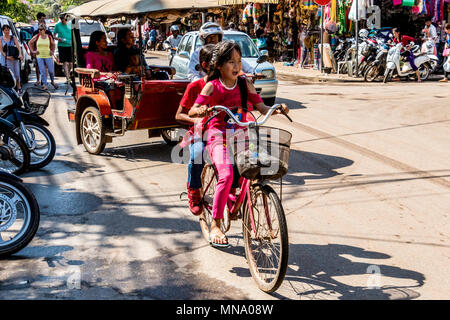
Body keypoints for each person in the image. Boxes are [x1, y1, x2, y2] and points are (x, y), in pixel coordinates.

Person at [188, 41, 289, 247]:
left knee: (259, 166)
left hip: (243, 134)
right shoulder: (211, 86)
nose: (236, 66)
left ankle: (242, 201)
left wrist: (277, 109)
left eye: (239, 61)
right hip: (218, 136)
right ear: (218, 66)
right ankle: (215, 223)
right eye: (231, 62)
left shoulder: (244, 84)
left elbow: (261, 107)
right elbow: (192, 110)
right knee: (226, 174)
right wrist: (201, 111)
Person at [175, 44, 215, 216]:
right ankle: (194, 191)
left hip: (222, 131)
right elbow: (179, 115)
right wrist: (196, 118)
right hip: (201, 132)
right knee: (197, 155)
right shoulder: (194, 87)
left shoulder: (227, 85)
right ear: (206, 66)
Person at [188, 22, 255, 82]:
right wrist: (203, 83)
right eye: (209, 37)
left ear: (219, 38)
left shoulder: (226, 51)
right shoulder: (197, 53)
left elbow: (248, 69)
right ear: (203, 39)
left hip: (227, 88)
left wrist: (248, 77)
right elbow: (193, 75)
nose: (212, 39)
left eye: (215, 36)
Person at [29, 23, 58, 90]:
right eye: (39, 29)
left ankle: (52, 81)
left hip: (48, 55)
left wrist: (52, 51)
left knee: (51, 70)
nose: (39, 31)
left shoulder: (49, 37)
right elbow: (30, 43)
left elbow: (53, 44)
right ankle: (45, 84)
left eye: (41, 29)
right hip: (39, 56)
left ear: (44, 30)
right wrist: (33, 51)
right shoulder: (37, 36)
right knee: (42, 71)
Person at [0, 24, 23, 93]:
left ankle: (19, 87)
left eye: (8, 30)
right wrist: (6, 57)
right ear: (3, 31)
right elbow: (1, 49)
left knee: (17, 74)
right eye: (5, 30)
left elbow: (18, 46)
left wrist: (20, 54)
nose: (7, 31)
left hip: (14, 58)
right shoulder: (1, 38)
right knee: (7, 74)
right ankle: (10, 88)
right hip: (5, 59)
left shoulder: (13, 37)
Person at [31, 12, 52, 86]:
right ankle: (38, 80)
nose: (44, 20)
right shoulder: (35, 30)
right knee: (37, 66)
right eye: (42, 19)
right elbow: (32, 42)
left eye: (44, 19)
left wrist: (51, 50)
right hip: (38, 51)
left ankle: (44, 81)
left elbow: (51, 42)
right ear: (38, 19)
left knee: (45, 66)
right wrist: (33, 51)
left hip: (46, 51)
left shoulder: (48, 30)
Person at [53, 14, 73, 84]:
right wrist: (59, 39)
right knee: (64, 62)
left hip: (70, 45)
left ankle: (69, 75)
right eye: (61, 19)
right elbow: (54, 36)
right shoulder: (57, 25)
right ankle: (68, 78)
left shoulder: (71, 24)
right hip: (62, 45)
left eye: (63, 19)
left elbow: (75, 34)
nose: (62, 20)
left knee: (71, 63)